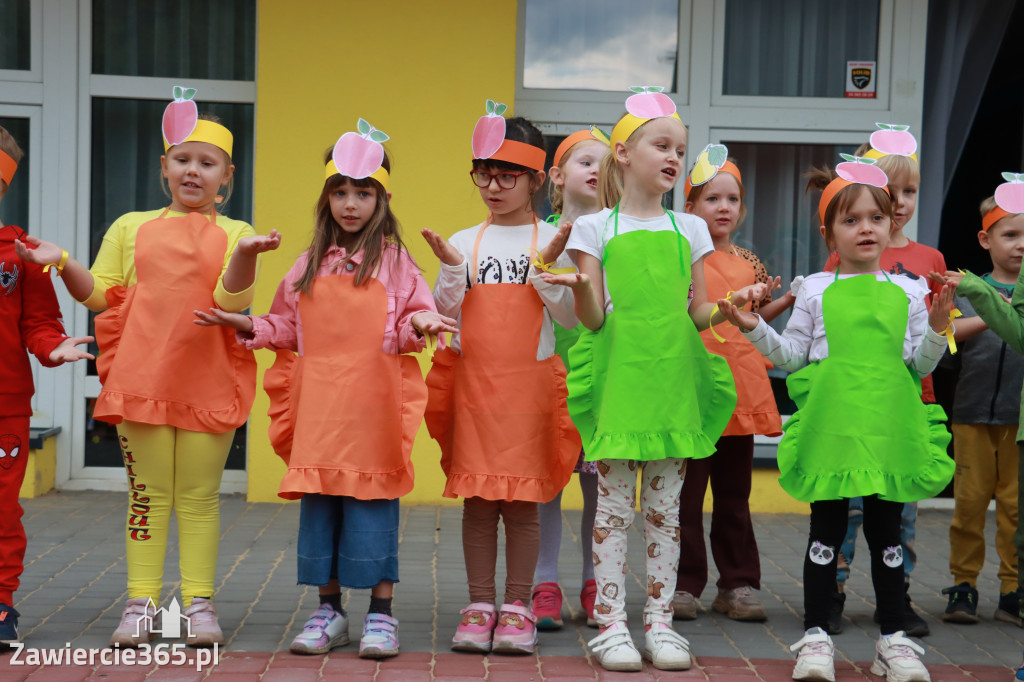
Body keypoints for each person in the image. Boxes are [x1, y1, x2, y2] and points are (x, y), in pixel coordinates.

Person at [16, 89, 273, 648]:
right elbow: (102, 298)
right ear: (164, 167)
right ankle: (142, 604)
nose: (193, 172)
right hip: (142, 381)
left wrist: (249, 253)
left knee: (199, 498)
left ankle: (199, 605)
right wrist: (61, 262)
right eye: (183, 160)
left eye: (207, 164)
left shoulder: (235, 233)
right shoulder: (130, 226)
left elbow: (234, 302)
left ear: (226, 176)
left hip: (209, 380)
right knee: (146, 495)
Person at [195, 122, 456, 658]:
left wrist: (425, 324)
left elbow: (408, 327)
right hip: (320, 411)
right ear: (326, 198)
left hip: (373, 410)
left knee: (373, 506)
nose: (350, 203)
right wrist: (247, 325)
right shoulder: (307, 264)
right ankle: (328, 610)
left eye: (363, 193)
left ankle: (381, 616)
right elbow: (285, 326)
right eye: (340, 192)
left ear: (382, 198)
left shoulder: (399, 264)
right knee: (321, 509)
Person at [541, 86, 753, 672]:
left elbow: (698, 314)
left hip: (672, 383)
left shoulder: (691, 228)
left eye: (679, 150)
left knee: (667, 512)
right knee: (610, 510)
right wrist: (582, 287)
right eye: (661, 145)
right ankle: (610, 625)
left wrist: (733, 308)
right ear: (623, 153)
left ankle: (658, 622)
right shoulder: (594, 231)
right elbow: (593, 320)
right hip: (620, 385)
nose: (672, 158)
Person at [717, 161, 954, 682]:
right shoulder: (814, 291)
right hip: (832, 428)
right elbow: (793, 357)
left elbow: (918, 366)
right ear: (829, 233)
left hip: (888, 430)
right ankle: (817, 635)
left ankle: (893, 637)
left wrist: (937, 329)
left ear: (892, 223)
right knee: (825, 532)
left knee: (887, 533)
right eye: (851, 220)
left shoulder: (912, 292)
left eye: (876, 217)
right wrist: (755, 327)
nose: (866, 228)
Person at [421, 104, 581, 656]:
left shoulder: (549, 239)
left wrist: (548, 275)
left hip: (528, 393)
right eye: (482, 174)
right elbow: (444, 314)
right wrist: (447, 267)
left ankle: (517, 607)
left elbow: (568, 320)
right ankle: (479, 603)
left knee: (524, 503)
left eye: (506, 176)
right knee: (478, 503)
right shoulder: (465, 241)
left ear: (537, 179)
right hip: (474, 390)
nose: (492, 186)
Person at [826, 126, 942, 636]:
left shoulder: (929, 260)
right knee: (849, 508)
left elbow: (934, 332)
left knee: (902, 511)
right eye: (891, 192)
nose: (899, 204)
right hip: (852, 404)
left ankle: (899, 596)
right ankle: (832, 589)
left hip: (905, 402)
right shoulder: (845, 254)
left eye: (909, 192)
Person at [671, 147, 788, 623]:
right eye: (711, 198)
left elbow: (752, 323)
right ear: (690, 207)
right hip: (694, 390)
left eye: (732, 199)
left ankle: (737, 584)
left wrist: (786, 298)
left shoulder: (749, 262)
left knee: (735, 495)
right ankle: (683, 585)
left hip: (740, 390)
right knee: (685, 497)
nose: (723, 207)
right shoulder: (681, 255)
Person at [0, 126, 93, 646]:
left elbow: (38, 322)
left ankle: (0, 604)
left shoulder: (21, 254)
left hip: (4, 407)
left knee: (1, 509)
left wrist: (52, 345)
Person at [929, 179, 1024, 629]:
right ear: (986, 239)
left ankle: (1013, 588)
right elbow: (945, 355)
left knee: (1015, 508)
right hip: (970, 416)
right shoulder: (967, 291)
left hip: (1017, 422)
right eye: (1011, 234)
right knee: (968, 504)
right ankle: (963, 583)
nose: (1021, 246)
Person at [532, 127, 608, 631]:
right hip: (548, 378)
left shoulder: (617, 232)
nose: (596, 170)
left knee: (601, 492)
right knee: (549, 487)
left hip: (602, 380)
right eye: (584, 161)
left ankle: (594, 581)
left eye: (605, 163)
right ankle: (544, 583)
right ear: (557, 176)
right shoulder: (541, 235)